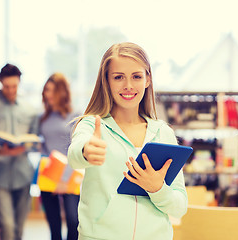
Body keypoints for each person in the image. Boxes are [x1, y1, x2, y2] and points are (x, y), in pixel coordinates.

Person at [67, 42, 188, 240]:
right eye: (118, 77)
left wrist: (157, 189)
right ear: (106, 80)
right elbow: (74, 156)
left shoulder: (163, 133)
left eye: (137, 76)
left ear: (148, 79)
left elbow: (179, 207)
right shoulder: (92, 125)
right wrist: (86, 151)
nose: (128, 86)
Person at [0, 63, 36, 240]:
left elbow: (34, 140)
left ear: (19, 83)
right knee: (7, 227)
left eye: (14, 86)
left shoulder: (30, 110)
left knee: (19, 229)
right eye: (6, 86)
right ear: (0, 83)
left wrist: (25, 146)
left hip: (23, 174)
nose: (11, 90)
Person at [32, 73, 79, 240]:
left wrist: (63, 179)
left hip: (70, 175)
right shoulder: (41, 117)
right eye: (45, 90)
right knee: (54, 223)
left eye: (52, 90)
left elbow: (78, 149)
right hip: (48, 174)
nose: (47, 94)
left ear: (63, 92)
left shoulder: (76, 116)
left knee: (74, 221)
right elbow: (41, 146)